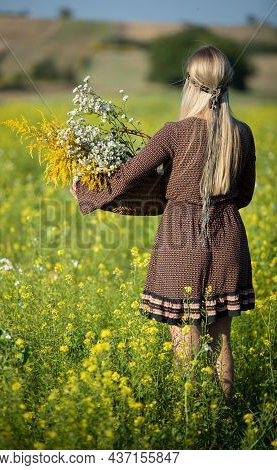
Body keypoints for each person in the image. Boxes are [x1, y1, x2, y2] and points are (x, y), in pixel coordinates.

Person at [70, 45, 256, 401]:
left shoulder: (175, 132)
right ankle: (227, 413)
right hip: (229, 236)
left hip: (181, 237)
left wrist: (84, 187)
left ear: (190, 84)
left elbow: (124, 178)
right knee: (222, 339)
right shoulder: (243, 133)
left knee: (185, 336)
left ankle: (189, 417)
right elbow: (244, 196)